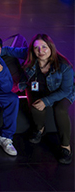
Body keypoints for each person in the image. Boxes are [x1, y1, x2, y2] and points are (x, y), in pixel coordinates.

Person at [21, 34, 73, 164]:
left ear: (51, 47)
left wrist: (46, 101)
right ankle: (40, 129)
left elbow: (66, 90)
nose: (41, 51)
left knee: (60, 110)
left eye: (44, 47)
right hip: (41, 89)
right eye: (36, 48)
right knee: (35, 106)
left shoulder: (64, 65)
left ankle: (66, 146)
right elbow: (8, 50)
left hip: (62, 92)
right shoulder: (31, 58)